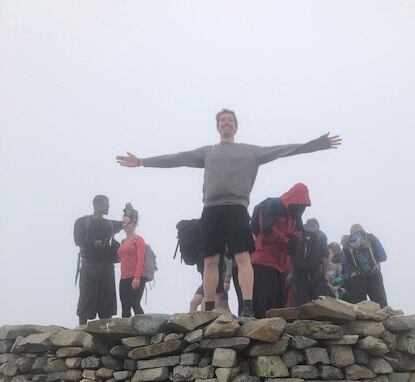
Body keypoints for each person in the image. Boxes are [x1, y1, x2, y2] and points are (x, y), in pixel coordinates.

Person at [116, 109, 342, 317]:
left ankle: (248, 307)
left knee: (243, 258)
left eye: (230, 121)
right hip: (211, 209)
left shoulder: (250, 152)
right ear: (218, 127)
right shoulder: (208, 152)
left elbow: (285, 150)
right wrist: (142, 162)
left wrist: (318, 144)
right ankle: (210, 309)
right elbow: (178, 158)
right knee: (211, 260)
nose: (226, 123)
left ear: (236, 127)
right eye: (222, 121)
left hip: (237, 208)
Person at [251, 183, 311, 318]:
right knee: (266, 294)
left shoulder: (295, 214)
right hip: (265, 258)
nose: (302, 208)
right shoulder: (273, 206)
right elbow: (266, 231)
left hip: (283, 262)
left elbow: (298, 232)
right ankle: (262, 324)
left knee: (280, 296)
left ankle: (275, 325)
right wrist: (287, 240)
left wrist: (294, 240)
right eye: (301, 204)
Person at [74, 195, 123, 326]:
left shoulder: (109, 223)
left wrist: (128, 211)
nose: (108, 207)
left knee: (107, 302)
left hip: (107, 266)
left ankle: (105, 332)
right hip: (89, 265)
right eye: (105, 205)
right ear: (96, 205)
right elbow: (77, 240)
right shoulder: (82, 222)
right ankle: (81, 331)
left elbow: (125, 223)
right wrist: (94, 243)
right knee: (86, 301)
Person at [341, 224, 388, 307]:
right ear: (362, 230)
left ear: (351, 232)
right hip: (375, 275)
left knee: (359, 307)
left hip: (357, 278)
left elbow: (344, 263)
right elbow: (383, 256)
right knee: (381, 305)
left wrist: (351, 274)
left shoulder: (347, 243)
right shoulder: (370, 238)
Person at [290, 217, 330, 306]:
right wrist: (325, 273)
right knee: (319, 301)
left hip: (298, 270)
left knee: (299, 300)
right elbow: (326, 255)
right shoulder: (321, 234)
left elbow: (290, 250)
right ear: (317, 225)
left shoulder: (298, 231)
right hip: (315, 271)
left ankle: (298, 318)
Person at [117, 204, 148, 318]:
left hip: (136, 276)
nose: (125, 226)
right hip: (124, 277)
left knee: (134, 303)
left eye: (127, 223)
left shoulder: (138, 240)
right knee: (125, 306)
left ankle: (144, 327)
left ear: (134, 223)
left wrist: (137, 277)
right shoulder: (123, 241)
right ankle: (126, 332)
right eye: (123, 223)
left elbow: (140, 259)